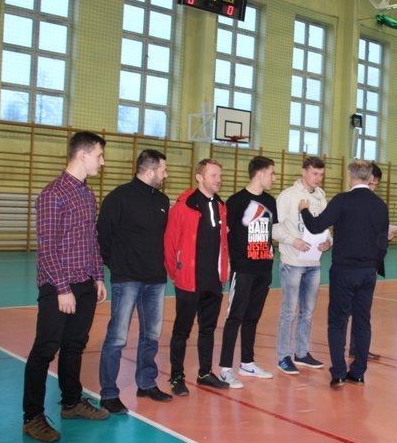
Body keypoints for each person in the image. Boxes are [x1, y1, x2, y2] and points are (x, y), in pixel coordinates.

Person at [22, 131, 110, 443]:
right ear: (82, 155)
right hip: (58, 285)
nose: (102, 161)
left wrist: (97, 276)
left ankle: (71, 403)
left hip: (85, 283)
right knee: (45, 349)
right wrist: (62, 289)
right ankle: (32, 417)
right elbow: (47, 248)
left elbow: (91, 239)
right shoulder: (53, 194)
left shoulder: (87, 194)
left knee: (75, 344)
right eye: (99, 155)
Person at [300, 159, 389, 387]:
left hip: (344, 271)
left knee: (338, 322)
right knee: (362, 322)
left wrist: (304, 210)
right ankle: (358, 373)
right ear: (370, 178)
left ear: (350, 177)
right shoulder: (380, 205)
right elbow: (383, 242)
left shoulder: (342, 200)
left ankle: (339, 372)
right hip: (368, 272)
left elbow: (316, 226)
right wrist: (373, 264)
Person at [97, 149, 172, 415]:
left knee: (151, 335)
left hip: (156, 279)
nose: (165, 175)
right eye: (163, 170)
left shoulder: (162, 200)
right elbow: (102, 235)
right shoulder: (119, 198)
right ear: (150, 171)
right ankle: (109, 393)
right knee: (117, 337)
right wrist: (116, 265)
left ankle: (146, 383)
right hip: (127, 278)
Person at [165, 158, 231, 393]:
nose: (219, 180)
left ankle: (205, 373)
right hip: (188, 280)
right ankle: (176, 377)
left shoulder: (221, 206)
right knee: (181, 331)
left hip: (213, 280)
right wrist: (176, 272)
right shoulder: (184, 205)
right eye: (214, 175)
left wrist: (223, 271)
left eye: (220, 175)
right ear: (199, 177)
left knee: (208, 329)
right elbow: (170, 242)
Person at [218, 156, 278, 388]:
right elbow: (224, 235)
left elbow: (271, 232)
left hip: (264, 269)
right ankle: (225, 368)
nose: (274, 178)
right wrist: (228, 263)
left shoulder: (270, 201)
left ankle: (247, 362)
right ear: (260, 174)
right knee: (235, 317)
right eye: (271, 173)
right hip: (243, 269)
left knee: (253, 317)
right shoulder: (236, 201)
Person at [272, 156, 331, 375]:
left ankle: (302, 352)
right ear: (304, 171)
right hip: (293, 262)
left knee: (307, 311)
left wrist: (329, 242)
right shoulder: (287, 196)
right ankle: (283, 356)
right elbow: (274, 227)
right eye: (315, 173)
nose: (318, 178)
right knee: (289, 311)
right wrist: (293, 241)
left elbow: (325, 227)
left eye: (321, 174)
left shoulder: (321, 197)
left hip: (314, 263)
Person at [348, 161, 386, 360]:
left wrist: (385, 237)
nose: (372, 188)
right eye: (371, 184)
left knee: (362, 312)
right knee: (344, 312)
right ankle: (341, 351)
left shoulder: (376, 205)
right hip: (350, 266)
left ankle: (358, 348)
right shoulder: (349, 201)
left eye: (375, 185)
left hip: (368, 266)